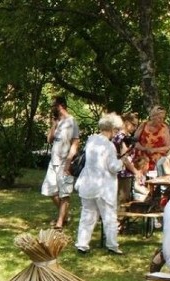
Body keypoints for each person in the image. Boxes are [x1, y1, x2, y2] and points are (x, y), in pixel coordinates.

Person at [74, 113, 138, 255]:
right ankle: (112, 245)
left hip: (88, 183)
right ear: (112, 129)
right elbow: (113, 167)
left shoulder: (91, 141)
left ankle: (82, 244)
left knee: (87, 215)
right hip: (104, 186)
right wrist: (123, 160)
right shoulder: (109, 145)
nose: (116, 133)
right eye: (116, 130)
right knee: (109, 216)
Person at [41, 96, 80, 230]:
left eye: (54, 106)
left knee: (64, 193)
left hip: (65, 161)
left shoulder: (72, 121)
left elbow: (75, 142)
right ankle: (65, 216)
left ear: (61, 106)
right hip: (53, 162)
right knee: (50, 191)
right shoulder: (58, 121)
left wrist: (69, 161)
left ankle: (59, 222)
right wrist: (54, 124)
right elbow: (49, 140)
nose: (53, 108)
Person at [133, 106, 170, 171]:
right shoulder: (143, 125)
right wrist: (143, 148)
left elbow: (168, 146)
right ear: (153, 117)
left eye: (163, 118)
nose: (161, 120)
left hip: (156, 162)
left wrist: (154, 150)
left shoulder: (164, 128)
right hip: (142, 160)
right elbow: (134, 140)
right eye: (159, 118)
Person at [111, 112, 139, 205]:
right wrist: (136, 172)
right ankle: (119, 219)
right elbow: (125, 159)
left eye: (136, 126)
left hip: (125, 173)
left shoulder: (125, 137)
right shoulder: (121, 137)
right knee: (122, 202)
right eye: (133, 124)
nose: (135, 128)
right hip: (122, 174)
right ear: (126, 122)